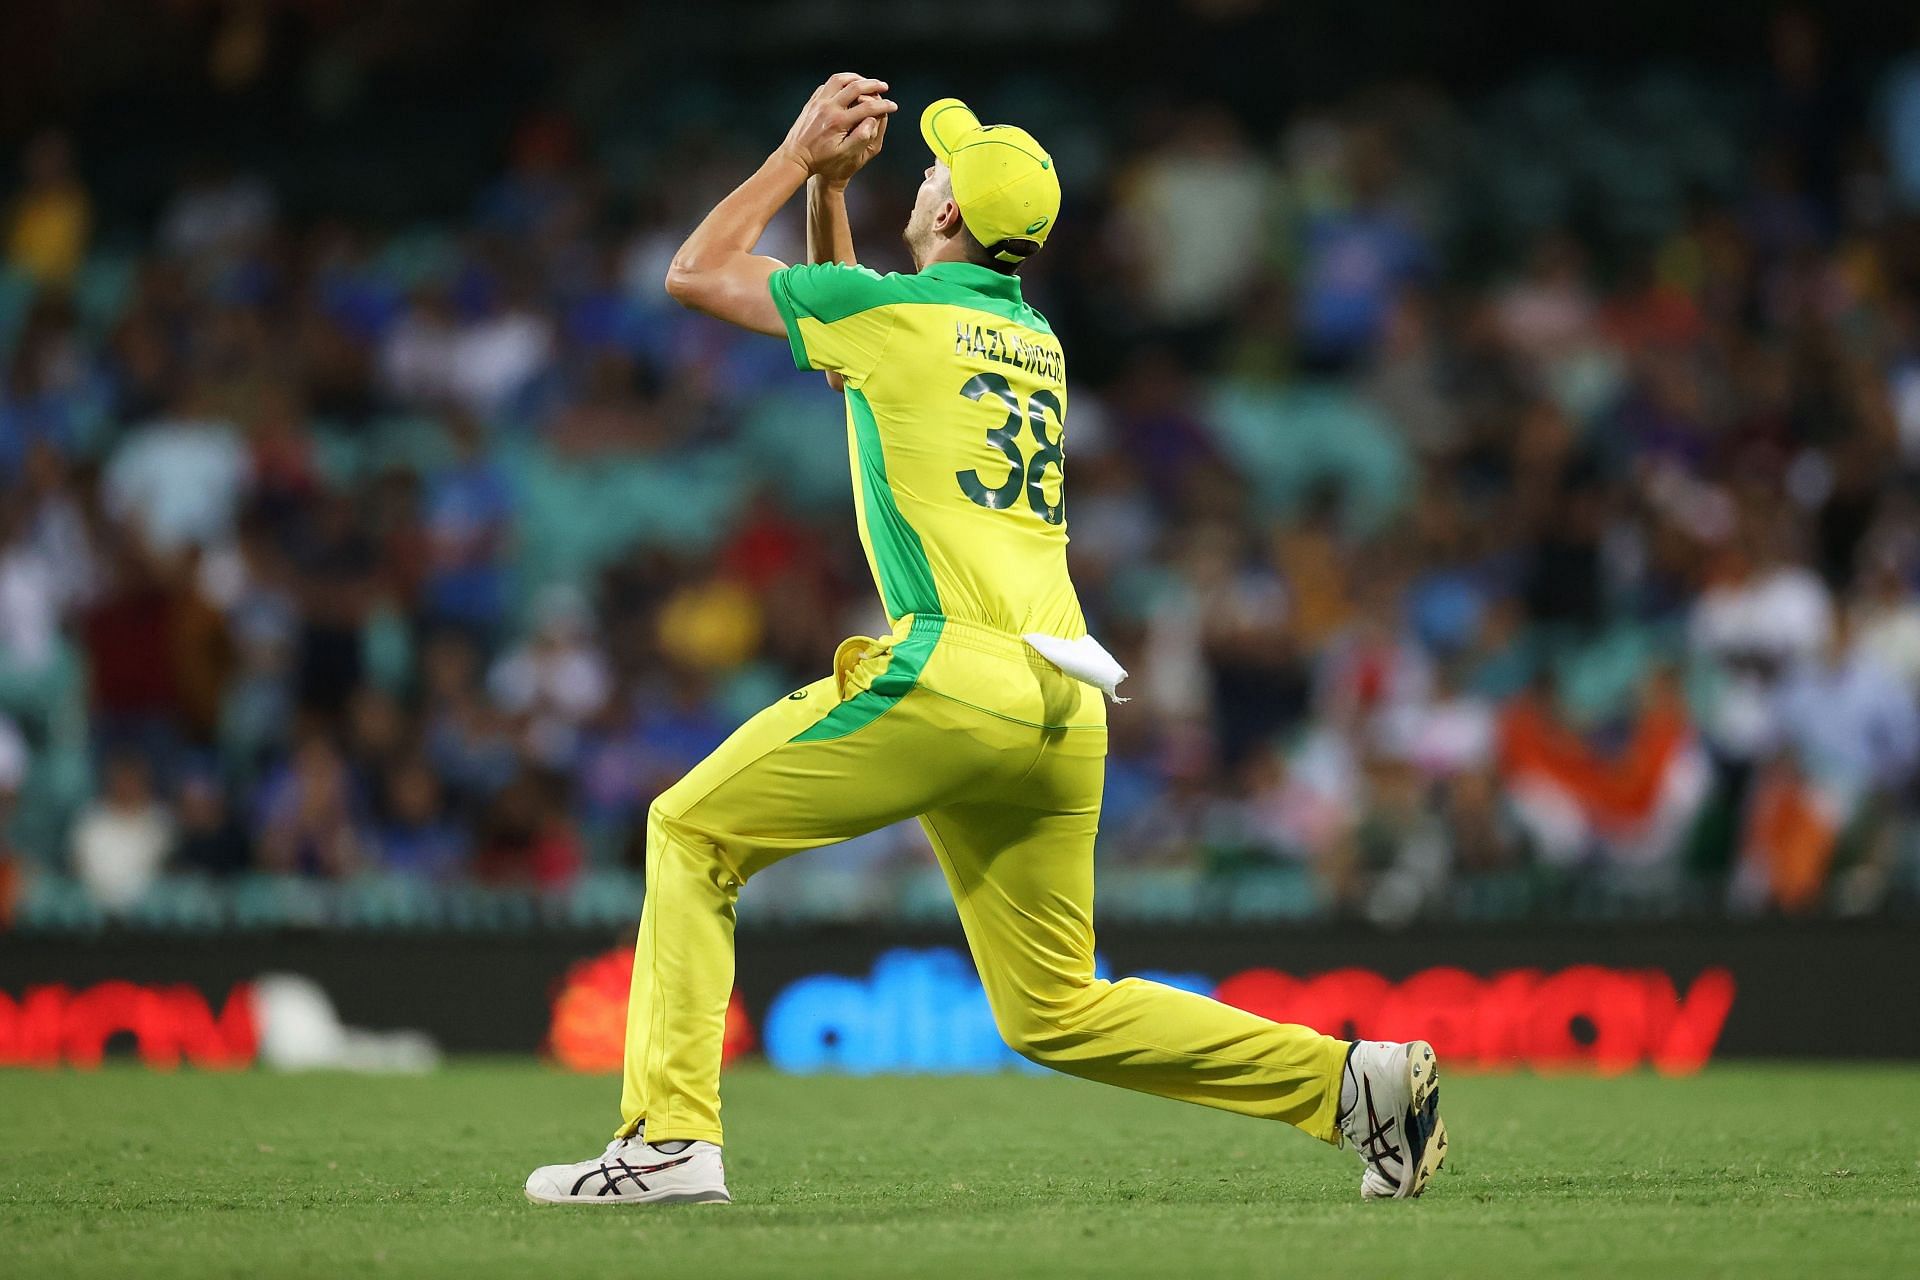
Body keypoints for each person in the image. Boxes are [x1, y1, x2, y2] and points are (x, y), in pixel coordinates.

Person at [525, 75, 1446, 1207]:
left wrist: (792, 153)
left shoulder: (899, 321)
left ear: (952, 216)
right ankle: (1356, 1086)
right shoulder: (1034, 341)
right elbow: (845, 345)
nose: (922, 173)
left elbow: (697, 273)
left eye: (935, 171)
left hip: (951, 670)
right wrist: (831, 194)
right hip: (1062, 693)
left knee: (689, 832)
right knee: (1054, 1006)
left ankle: (668, 1138)